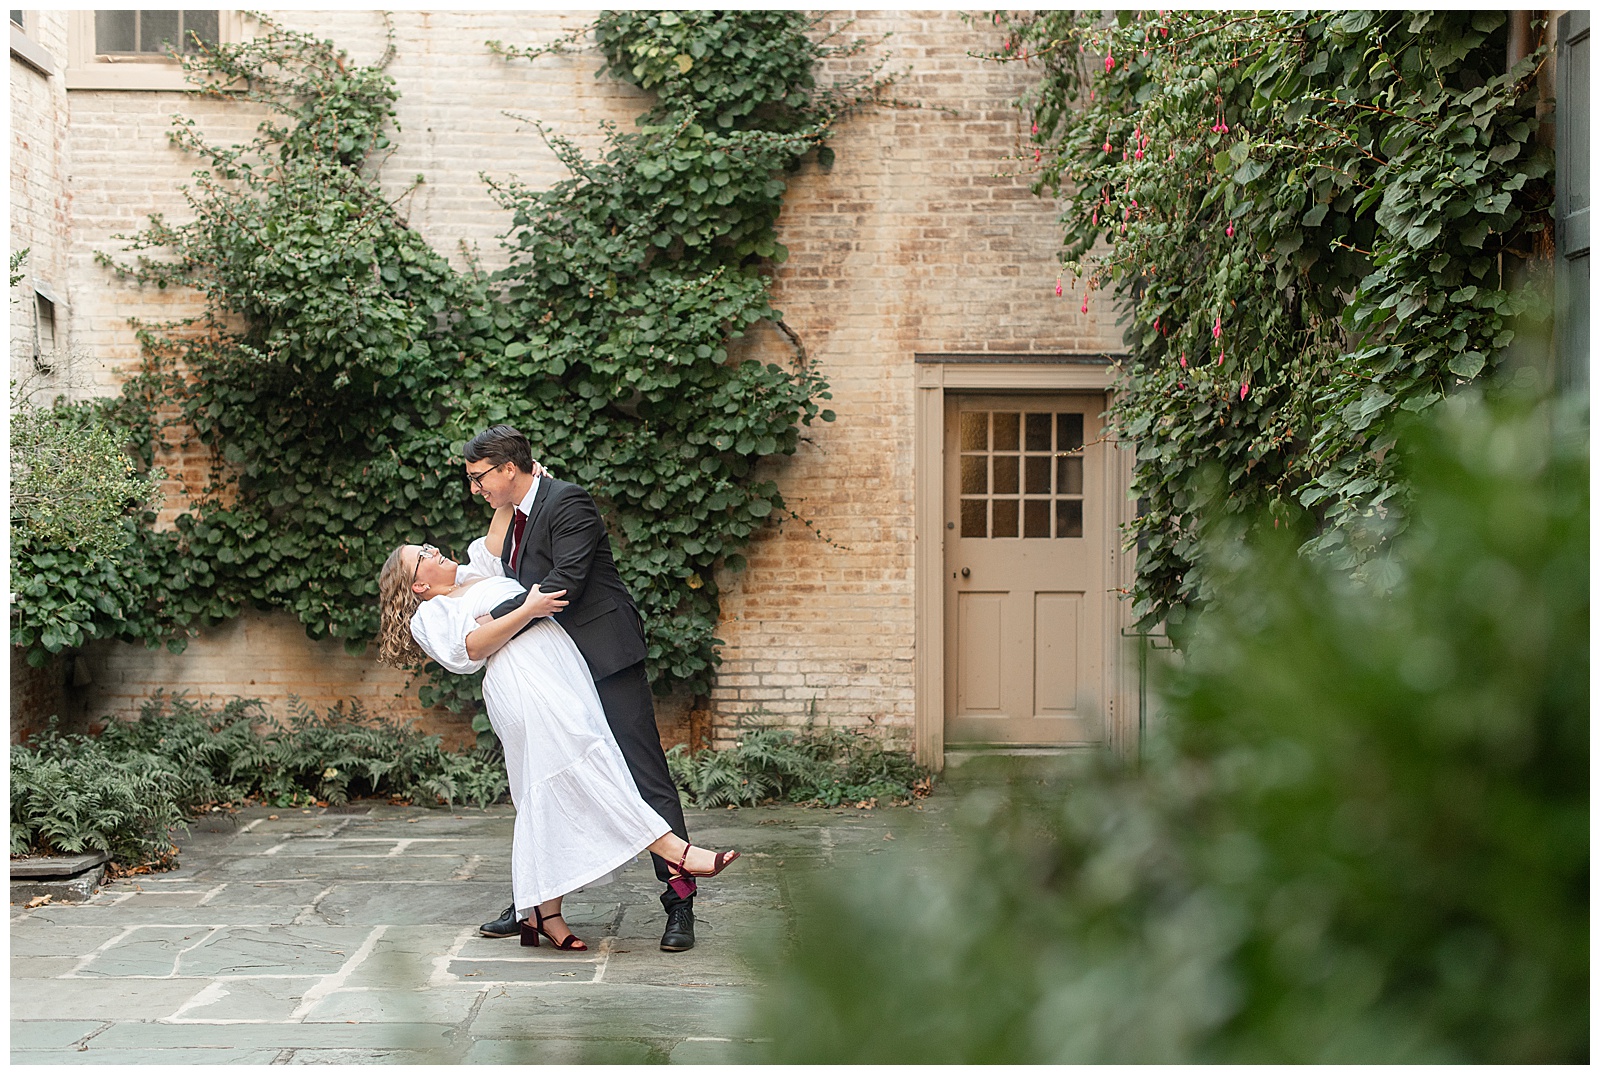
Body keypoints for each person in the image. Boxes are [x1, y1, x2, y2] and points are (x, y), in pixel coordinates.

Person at [376, 539, 738, 951]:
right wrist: (528, 609)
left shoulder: (475, 571)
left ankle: (543, 914)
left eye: (424, 545)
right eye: (421, 556)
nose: (432, 549)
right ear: (417, 585)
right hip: (523, 681)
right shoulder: (430, 614)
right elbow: (471, 647)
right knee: (583, 765)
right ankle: (676, 850)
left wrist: (530, 475)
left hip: (558, 670)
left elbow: (502, 505)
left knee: (548, 789)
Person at [460, 425, 706, 952]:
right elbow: (494, 566)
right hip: (552, 668)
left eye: (480, 478)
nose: (476, 489)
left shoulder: (567, 501)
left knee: (644, 775)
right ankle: (535, 902)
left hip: (602, 658)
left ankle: (679, 900)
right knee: (541, 778)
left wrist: (488, 621)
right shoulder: (517, 517)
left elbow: (563, 582)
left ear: (509, 468)